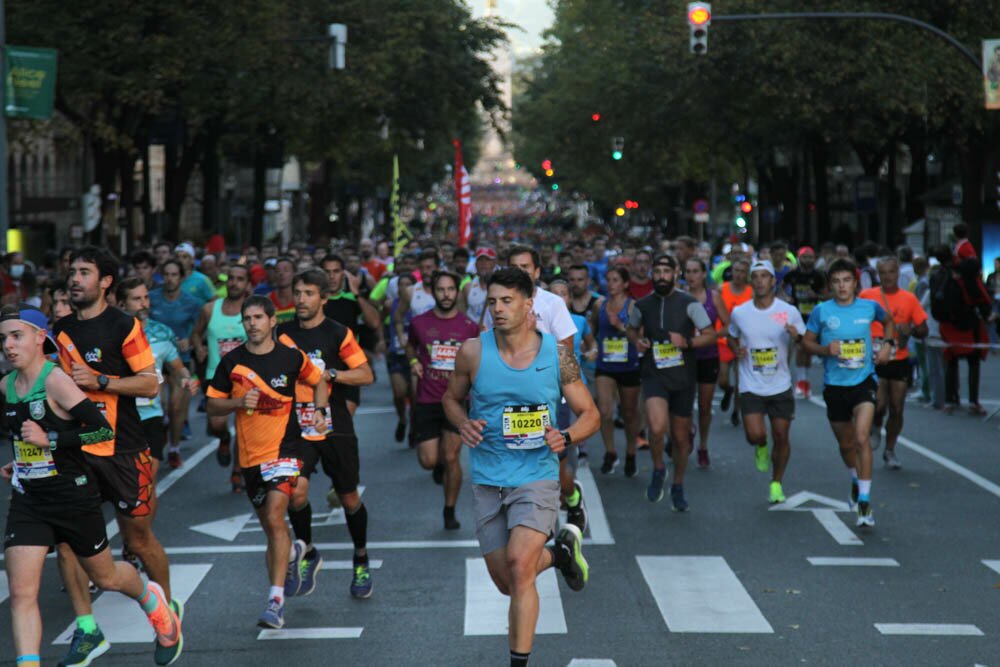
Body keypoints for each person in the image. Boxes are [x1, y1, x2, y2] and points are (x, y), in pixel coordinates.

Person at [1, 305, 182, 667]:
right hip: (30, 499)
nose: (7, 345)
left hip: (72, 495)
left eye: (16, 336)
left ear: (40, 339)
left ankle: (153, 601)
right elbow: (25, 438)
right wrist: (20, 459)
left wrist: (49, 439)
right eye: (2, 338)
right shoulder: (6, 386)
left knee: (108, 576)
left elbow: (100, 430)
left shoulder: (56, 381)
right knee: (21, 592)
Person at [441, 267, 599, 667]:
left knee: (519, 564)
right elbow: (451, 399)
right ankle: (561, 555)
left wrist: (566, 437)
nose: (498, 309)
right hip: (489, 477)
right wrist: (463, 423)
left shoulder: (557, 355)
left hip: (537, 475)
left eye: (507, 301)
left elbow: (589, 414)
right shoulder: (473, 352)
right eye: (492, 301)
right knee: (505, 582)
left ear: (530, 305)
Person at [52, 246, 180, 666]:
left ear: (105, 282)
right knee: (69, 544)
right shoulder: (62, 327)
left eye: (84, 272)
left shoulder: (123, 326)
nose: (74, 279)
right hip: (77, 449)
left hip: (124, 449)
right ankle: (87, 630)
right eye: (72, 272)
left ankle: (167, 613)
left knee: (138, 541)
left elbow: (149, 385)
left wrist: (101, 380)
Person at [207, 295, 328, 629]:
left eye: (259, 318)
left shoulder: (291, 357)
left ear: (273, 321)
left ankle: (275, 602)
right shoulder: (232, 362)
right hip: (250, 459)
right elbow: (211, 405)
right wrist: (235, 402)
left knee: (276, 518)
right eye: (247, 319)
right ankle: (291, 553)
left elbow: (318, 381)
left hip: (285, 451)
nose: (253, 324)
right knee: (271, 528)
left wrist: (319, 412)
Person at [277, 269, 376, 599]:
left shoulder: (337, 333)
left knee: (348, 496)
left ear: (324, 298)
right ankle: (308, 552)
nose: (301, 299)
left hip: (333, 424)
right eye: (298, 292)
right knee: (296, 493)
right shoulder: (283, 333)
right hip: (295, 426)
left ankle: (361, 558)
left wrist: (330, 374)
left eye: (308, 293)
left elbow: (365, 375)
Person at [483, 247, 586, 532]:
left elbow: (565, 348)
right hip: (509, 398)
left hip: (549, 395)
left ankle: (572, 496)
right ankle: (534, 519)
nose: (521, 271)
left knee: (554, 461)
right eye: (515, 266)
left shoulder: (552, 303)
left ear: (537, 271)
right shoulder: (499, 304)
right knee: (520, 457)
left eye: (526, 267)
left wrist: (535, 354)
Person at [801, 258, 894, 528]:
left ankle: (864, 502)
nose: (842, 286)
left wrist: (888, 344)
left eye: (847, 281)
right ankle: (855, 477)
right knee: (846, 445)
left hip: (863, 381)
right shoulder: (821, 311)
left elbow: (888, 322)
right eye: (836, 282)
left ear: (855, 283)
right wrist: (824, 350)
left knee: (862, 438)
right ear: (830, 285)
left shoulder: (869, 307)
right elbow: (806, 343)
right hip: (834, 385)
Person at [627, 254, 717, 512]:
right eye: (658, 272)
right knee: (656, 427)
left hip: (683, 377)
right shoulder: (642, 305)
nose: (662, 276)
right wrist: (637, 340)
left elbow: (710, 335)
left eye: (667, 271)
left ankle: (678, 484)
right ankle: (658, 468)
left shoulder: (690, 304)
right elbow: (631, 329)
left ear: (675, 274)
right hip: (654, 373)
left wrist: (688, 342)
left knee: (680, 437)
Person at [406, 271, 480, 529]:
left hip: (457, 400)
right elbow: (409, 345)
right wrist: (414, 361)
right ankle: (438, 467)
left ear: (457, 292)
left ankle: (449, 509)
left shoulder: (470, 326)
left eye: (451, 289)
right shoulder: (419, 323)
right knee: (429, 460)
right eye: (441, 289)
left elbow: (478, 359)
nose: (446, 294)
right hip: (427, 398)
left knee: (452, 457)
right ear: (433, 292)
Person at [728, 261, 806, 503]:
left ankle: (776, 483)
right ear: (751, 281)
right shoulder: (740, 312)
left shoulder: (789, 311)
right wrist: (736, 350)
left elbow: (804, 339)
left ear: (773, 281)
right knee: (755, 434)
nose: (760, 281)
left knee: (781, 435)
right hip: (751, 384)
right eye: (756, 276)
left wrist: (797, 336)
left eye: (765, 276)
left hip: (780, 383)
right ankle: (760, 446)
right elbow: (732, 337)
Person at [119, 277, 198, 471]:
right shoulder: (110, 332)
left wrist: (187, 379)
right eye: (136, 299)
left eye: (146, 297)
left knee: (148, 480)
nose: (144, 303)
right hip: (120, 417)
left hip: (150, 415)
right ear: (121, 304)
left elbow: (177, 368)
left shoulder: (162, 332)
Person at [860, 256, 928, 470]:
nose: (887, 277)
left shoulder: (909, 299)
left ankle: (890, 449)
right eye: (883, 273)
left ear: (898, 274)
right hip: (875, 358)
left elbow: (923, 329)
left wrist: (913, 330)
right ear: (878, 275)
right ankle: (876, 424)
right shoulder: (867, 296)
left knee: (897, 407)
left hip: (899, 358)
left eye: (891, 272)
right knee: (879, 404)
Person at [192, 263, 251, 491]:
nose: (234, 283)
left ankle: (237, 473)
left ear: (247, 284)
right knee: (216, 424)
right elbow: (196, 334)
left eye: (240, 279)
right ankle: (224, 439)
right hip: (216, 375)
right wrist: (199, 347)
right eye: (232, 278)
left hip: (246, 378)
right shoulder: (210, 309)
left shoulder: (251, 310)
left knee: (244, 428)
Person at [591, 267, 642, 477]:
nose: (611, 284)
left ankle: (631, 452)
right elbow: (593, 329)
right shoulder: (599, 304)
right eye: (608, 280)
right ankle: (610, 452)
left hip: (628, 365)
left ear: (625, 284)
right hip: (605, 365)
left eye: (615, 280)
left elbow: (640, 334)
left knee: (629, 414)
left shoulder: (633, 306)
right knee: (604, 411)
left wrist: (621, 326)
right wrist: (594, 347)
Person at [149, 258, 202, 454]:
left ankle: (174, 448)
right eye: (167, 275)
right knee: (160, 404)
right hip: (157, 359)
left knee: (176, 406)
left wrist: (190, 340)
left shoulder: (191, 302)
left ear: (181, 277)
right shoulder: (151, 298)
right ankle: (162, 429)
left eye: (174, 275)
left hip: (182, 359)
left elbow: (200, 329)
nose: (170, 279)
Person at [684, 258, 724, 468]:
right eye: (688, 271)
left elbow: (728, 325)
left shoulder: (713, 297)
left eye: (695, 271)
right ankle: (689, 430)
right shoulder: (679, 297)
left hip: (708, 355)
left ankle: (703, 446)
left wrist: (710, 335)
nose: (691, 276)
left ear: (703, 274)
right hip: (686, 356)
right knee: (685, 402)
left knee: (705, 405)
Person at [783, 247, 827, 398]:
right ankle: (801, 381)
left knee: (808, 348)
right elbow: (781, 289)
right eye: (804, 257)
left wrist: (817, 295)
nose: (807, 260)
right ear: (799, 258)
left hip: (813, 316)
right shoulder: (792, 275)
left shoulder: (819, 276)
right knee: (800, 347)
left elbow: (827, 294)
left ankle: (804, 380)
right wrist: (786, 298)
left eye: (810, 257)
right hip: (797, 315)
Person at [717, 258, 752, 425]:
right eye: (736, 271)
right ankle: (727, 390)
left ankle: (736, 412)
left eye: (742, 271)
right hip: (723, 341)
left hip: (742, 341)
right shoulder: (722, 289)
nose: (738, 275)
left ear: (747, 274)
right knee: (722, 379)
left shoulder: (751, 292)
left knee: (741, 381)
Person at [460, 247, 497, 327]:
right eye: (480, 260)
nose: (483, 263)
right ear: (475, 264)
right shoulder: (467, 287)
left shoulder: (501, 287)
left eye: (487, 260)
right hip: (472, 333)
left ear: (494, 263)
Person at [268, 257, 297, 324]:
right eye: (277, 271)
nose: (281, 273)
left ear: (294, 273)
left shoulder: (302, 298)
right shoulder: (268, 300)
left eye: (286, 270)